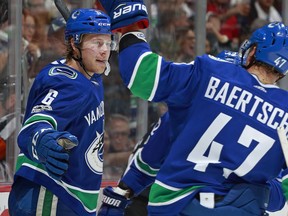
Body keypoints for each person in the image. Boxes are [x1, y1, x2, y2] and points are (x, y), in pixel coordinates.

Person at [97, 1, 288, 215]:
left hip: (178, 206)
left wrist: (129, 25)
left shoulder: (211, 71)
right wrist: (252, 188)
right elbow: (278, 199)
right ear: (282, 72)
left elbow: (142, 75)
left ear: (251, 52)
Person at [8, 8, 116, 216]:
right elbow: (37, 123)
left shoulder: (90, 72)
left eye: (108, 42)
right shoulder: (64, 82)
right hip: (49, 193)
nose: (105, 50)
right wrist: (42, 139)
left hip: (72, 196)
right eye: (97, 42)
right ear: (74, 45)